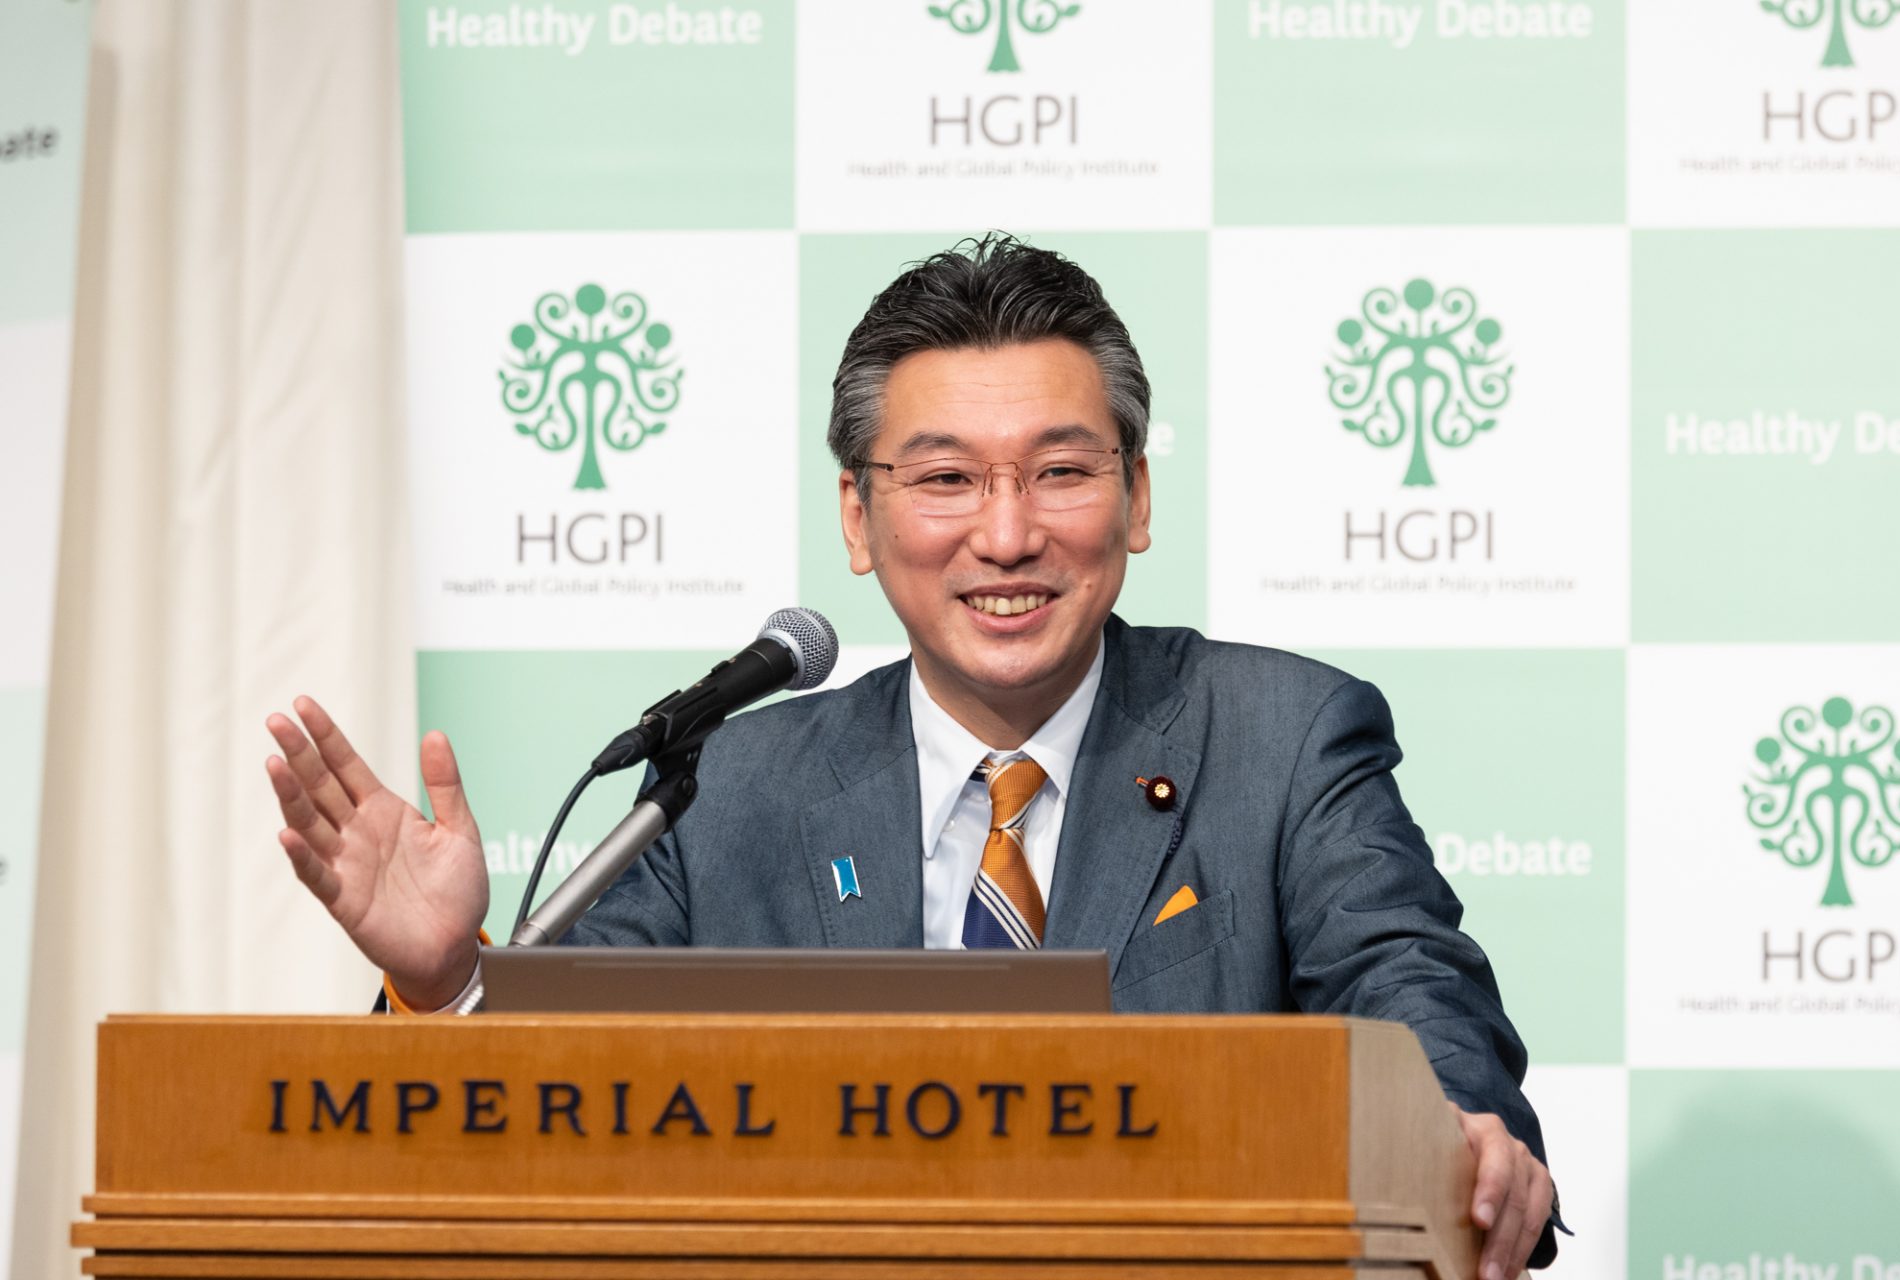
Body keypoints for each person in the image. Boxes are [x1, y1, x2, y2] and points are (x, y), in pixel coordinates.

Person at [265, 234, 1564, 1275]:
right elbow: (557, 1101)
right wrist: (445, 985)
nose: (1006, 535)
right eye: (945, 480)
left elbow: (1408, 980)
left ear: (1137, 498)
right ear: (858, 515)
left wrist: (1462, 1133)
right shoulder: (727, 790)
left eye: (1061, 471)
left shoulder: (1283, 736)